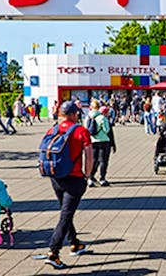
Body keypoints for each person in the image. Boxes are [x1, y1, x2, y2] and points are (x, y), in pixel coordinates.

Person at [42, 101, 93, 269]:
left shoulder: (53, 129)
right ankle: (53, 252)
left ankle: (74, 243)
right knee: (66, 215)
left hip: (56, 176)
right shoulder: (81, 131)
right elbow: (89, 155)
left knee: (66, 211)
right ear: (73, 114)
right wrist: (87, 174)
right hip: (74, 178)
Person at [85, 100, 116, 187]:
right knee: (103, 160)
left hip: (92, 141)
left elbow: (86, 129)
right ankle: (102, 178)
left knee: (93, 160)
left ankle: (90, 178)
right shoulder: (102, 118)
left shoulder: (88, 117)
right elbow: (107, 130)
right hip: (103, 141)